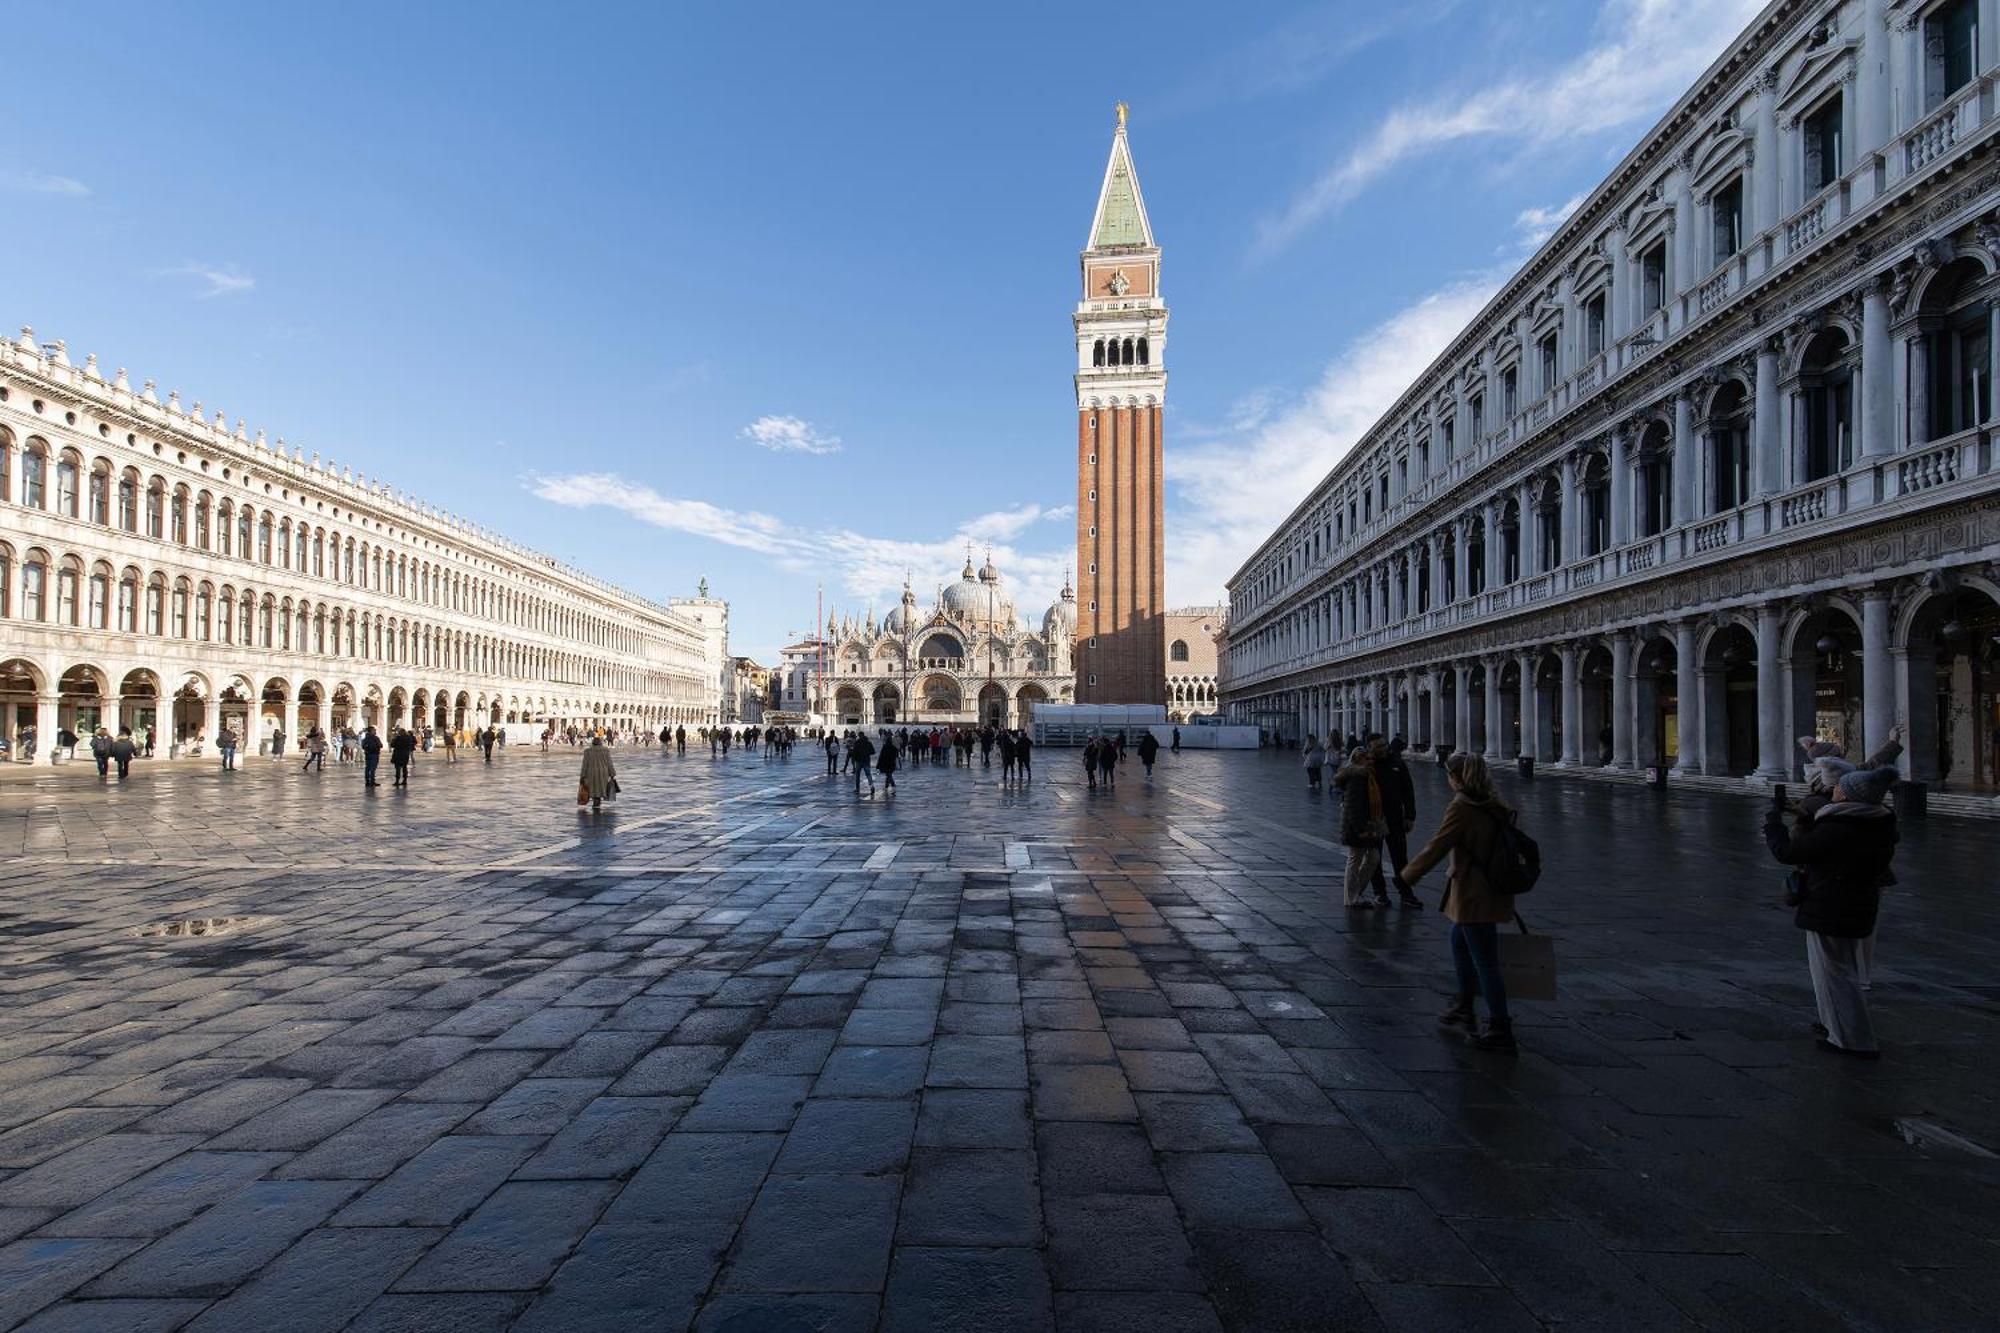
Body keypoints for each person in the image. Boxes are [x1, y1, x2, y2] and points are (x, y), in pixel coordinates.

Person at [1766, 763, 1898, 1058]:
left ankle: (1853, 1039)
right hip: (1855, 903)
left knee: (1834, 973)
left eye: (1841, 787)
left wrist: (1773, 824)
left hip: (1831, 905)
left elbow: (1788, 853)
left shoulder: (1842, 827)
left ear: (1851, 796)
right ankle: (1837, 1026)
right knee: (1840, 969)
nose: (1835, 789)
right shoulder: (1876, 823)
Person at [1400, 752, 1521, 1052]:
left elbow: (1438, 844)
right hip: (1491, 890)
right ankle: (1464, 1003)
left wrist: (1407, 876)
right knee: (1459, 943)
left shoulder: (1463, 807)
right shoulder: (1496, 804)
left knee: (1486, 963)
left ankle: (1500, 1026)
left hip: (1473, 894)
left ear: (1456, 778)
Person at [1371, 736, 1423, 909]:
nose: (1382, 749)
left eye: (1383, 745)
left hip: (1395, 818)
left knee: (1400, 857)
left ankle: (1406, 893)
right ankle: (1380, 893)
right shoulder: (1366, 766)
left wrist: (1410, 816)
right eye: (1377, 746)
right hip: (1374, 819)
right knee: (1375, 859)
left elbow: (1408, 790)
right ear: (1370, 748)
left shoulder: (1398, 764)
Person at [1333, 746, 1386, 913]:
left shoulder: (1368, 776)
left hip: (1368, 824)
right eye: (1366, 758)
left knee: (1373, 858)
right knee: (1355, 859)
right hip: (1357, 826)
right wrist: (1360, 828)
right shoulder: (1357, 778)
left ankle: (1356, 892)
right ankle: (1351, 897)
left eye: (1371, 758)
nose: (1371, 761)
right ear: (1357, 760)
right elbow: (1352, 807)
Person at [579, 735, 617, 812]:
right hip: (603, 773)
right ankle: (597, 801)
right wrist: (612, 773)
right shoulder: (606, 751)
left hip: (591, 773)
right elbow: (609, 763)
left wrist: (582, 776)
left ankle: (595, 801)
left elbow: (584, 764)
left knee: (593, 788)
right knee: (600, 788)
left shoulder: (588, 751)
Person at [851, 730, 876, 796]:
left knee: (857, 775)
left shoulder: (857, 742)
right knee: (868, 775)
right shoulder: (868, 742)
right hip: (866, 761)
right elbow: (873, 751)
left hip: (859, 761)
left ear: (859, 736)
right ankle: (872, 786)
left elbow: (854, 752)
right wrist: (867, 753)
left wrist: (854, 759)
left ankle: (857, 788)